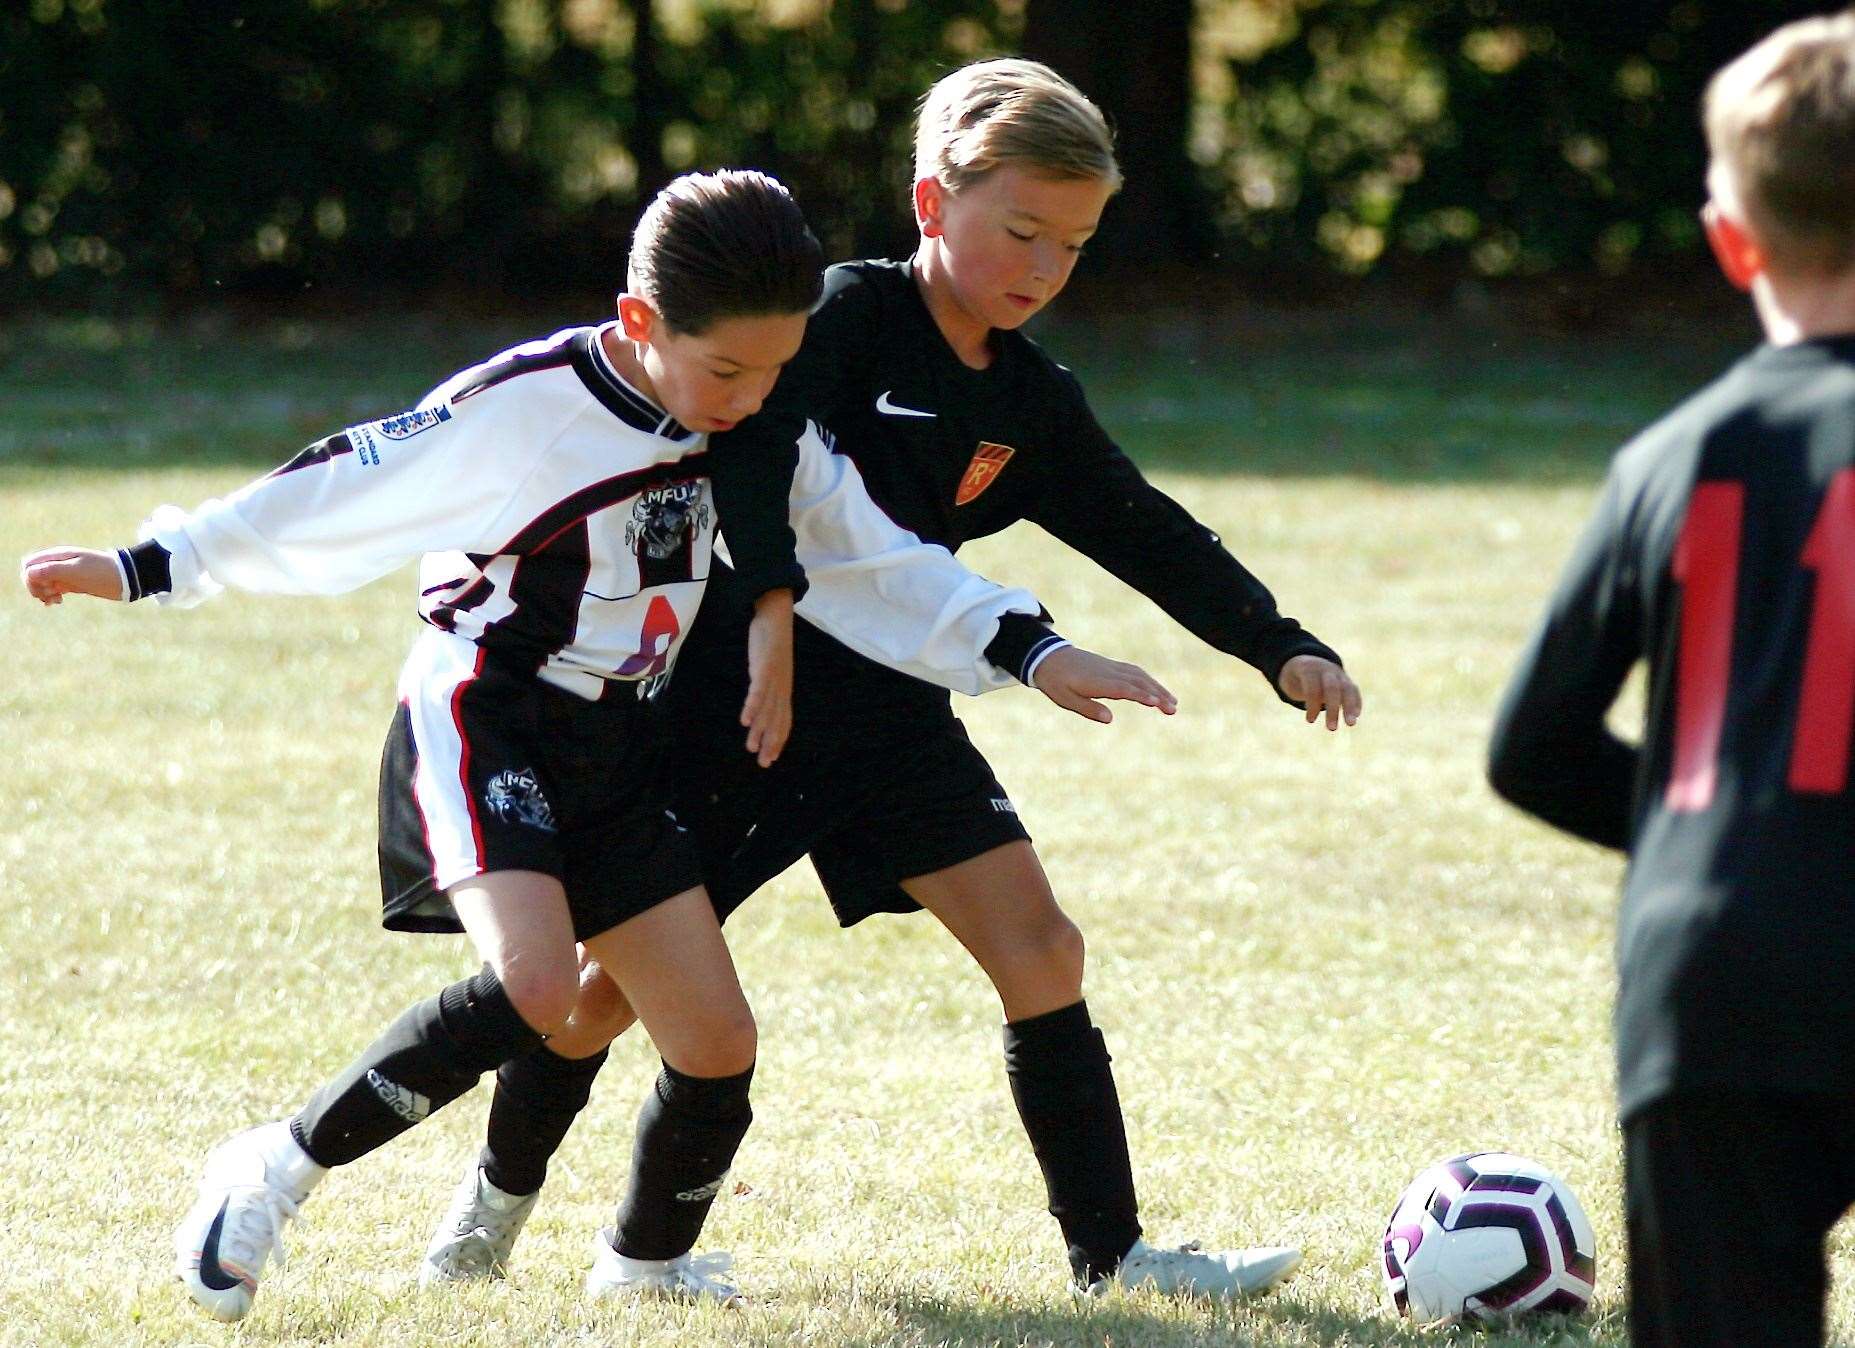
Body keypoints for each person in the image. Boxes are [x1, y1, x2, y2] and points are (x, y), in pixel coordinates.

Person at [20, 168, 1171, 1322]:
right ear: (638, 324)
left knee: (715, 1040)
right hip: (491, 709)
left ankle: (644, 1268)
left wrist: (1028, 648)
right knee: (533, 986)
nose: (754, 396)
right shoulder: (526, 407)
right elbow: (339, 484)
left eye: (777, 369)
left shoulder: (757, 417)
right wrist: (145, 567)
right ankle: (272, 1168)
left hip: (621, 737)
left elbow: (870, 556)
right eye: (728, 369)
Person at [427, 60, 1362, 1301]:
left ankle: (1114, 1257)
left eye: (1072, 245)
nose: (1042, 266)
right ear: (933, 204)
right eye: (1019, 230)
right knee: (601, 998)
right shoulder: (830, 323)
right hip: (741, 714)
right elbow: (741, 460)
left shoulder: (1029, 397)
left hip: (894, 724)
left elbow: (1141, 525)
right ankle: (491, 1206)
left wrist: (1276, 642)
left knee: (1041, 948)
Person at [1487, 14, 1855, 1346]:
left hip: (1713, 970)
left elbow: (1528, 749)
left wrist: (1710, 825)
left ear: (1727, 240)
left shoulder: (1667, 459)